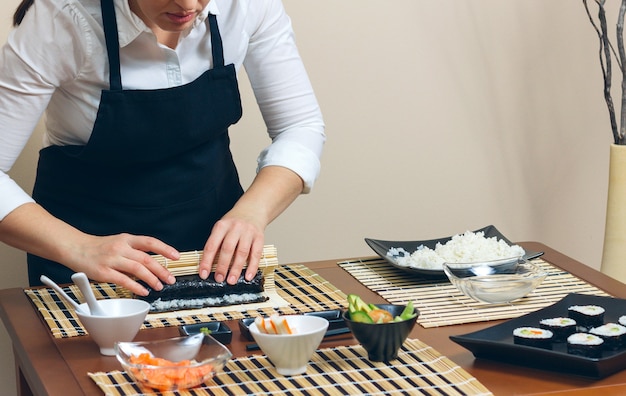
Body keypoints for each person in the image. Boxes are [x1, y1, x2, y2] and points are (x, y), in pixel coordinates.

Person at [0, 0, 325, 297]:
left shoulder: (243, 6)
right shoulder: (61, 18)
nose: (187, 4)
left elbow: (299, 127)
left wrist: (252, 212)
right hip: (86, 260)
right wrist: (79, 247)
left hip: (210, 254)